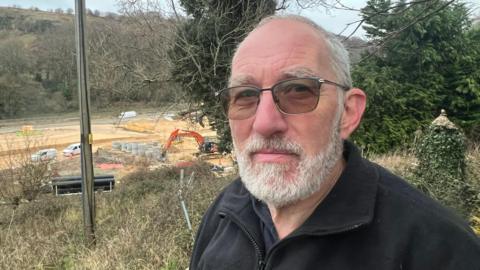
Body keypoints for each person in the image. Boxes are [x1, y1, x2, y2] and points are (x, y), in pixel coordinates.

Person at [189, 14, 480, 270]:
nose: (265, 123)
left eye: (299, 90)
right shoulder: (226, 210)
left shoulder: (439, 248)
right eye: (245, 95)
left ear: (348, 112)